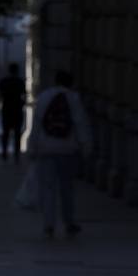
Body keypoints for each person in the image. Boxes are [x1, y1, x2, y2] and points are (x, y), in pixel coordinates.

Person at [28, 70, 92, 237]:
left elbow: (36, 124)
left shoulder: (44, 97)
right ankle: (68, 221)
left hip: (46, 148)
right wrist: (86, 146)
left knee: (48, 187)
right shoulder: (73, 98)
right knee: (67, 188)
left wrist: (32, 146)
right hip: (67, 149)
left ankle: (49, 223)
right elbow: (80, 124)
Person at [0, 63, 26, 162]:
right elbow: (24, 95)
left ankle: (4, 152)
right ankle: (16, 154)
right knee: (17, 133)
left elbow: (0, 95)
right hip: (17, 109)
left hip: (7, 109)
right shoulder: (20, 82)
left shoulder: (4, 82)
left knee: (5, 132)